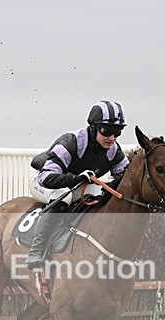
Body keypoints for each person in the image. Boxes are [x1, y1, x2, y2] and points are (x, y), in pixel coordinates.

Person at [25, 100, 130, 269]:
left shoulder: (114, 152)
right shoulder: (71, 142)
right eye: (107, 131)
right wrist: (77, 179)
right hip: (45, 181)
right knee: (62, 198)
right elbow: (47, 178)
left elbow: (126, 179)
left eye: (117, 132)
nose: (112, 138)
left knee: (98, 199)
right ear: (94, 127)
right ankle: (36, 251)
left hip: (77, 183)